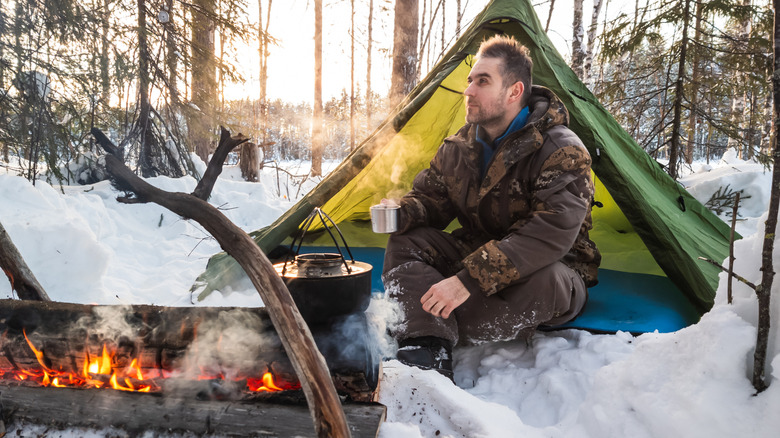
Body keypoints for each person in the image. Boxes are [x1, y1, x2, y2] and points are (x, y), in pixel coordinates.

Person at [382, 35, 601, 380]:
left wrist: (465, 281)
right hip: (477, 250)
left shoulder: (560, 149)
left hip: (547, 268)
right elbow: (432, 200)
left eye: (482, 81)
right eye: (470, 80)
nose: (468, 91)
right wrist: (402, 211)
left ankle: (423, 317)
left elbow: (551, 234)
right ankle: (428, 344)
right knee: (405, 242)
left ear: (514, 92)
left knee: (548, 280)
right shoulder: (460, 146)